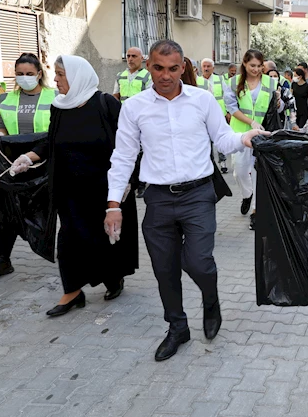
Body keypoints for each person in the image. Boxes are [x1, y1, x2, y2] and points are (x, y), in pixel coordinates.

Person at [104, 40, 264, 361]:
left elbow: (223, 138)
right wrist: (113, 205)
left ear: (183, 67)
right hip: (158, 199)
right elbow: (122, 157)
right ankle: (178, 327)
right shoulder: (134, 108)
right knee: (165, 270)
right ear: (148, 65)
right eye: (159, 68)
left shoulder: (202, 100)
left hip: (198, 196)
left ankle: (210, 299)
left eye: (173, 68)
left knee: (199, 262)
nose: (166, 75)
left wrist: (245, 138)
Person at [10, 55, 139, 315]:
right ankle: (72, 292)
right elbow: (50, 141)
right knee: (69, 239)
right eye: (56, 74)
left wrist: (129, 182)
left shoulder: (105, 105)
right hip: (69, 190)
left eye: (60, 74)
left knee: (105, 240)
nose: (55, 79)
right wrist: (28, 157)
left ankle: (113, 278)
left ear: (77, 76)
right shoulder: (59, 107)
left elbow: (132, 145)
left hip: (105, 190)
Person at [0, 53, 57, 278]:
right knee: (9, 211)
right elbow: (2, 126)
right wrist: (0, 137)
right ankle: (3, 260)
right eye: (20, 74)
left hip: (46, 162)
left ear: (39, 74)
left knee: (53, 210)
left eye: (29, 74)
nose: (24, 78)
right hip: (13, 164)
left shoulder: (56, 96)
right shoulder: (6, 99)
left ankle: (68, 255)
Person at [224, 50, 279, 230]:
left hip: (262, 135)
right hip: (240, 134)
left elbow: (279, 104)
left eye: (259, 66)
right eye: (252, 66)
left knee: (258, 172)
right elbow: (232, 108)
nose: (256, 69)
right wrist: (251, 121)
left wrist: (280, 103)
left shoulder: (271, 82)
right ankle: (247, 194)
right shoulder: (233, 82)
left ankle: (256, 210)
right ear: (244, 64)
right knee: (239, 172)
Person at [114, 47, 152, 198]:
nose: (130, 59)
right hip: (124, 118)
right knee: (127, 150)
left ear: (141, 58)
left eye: (134, 56)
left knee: (142, 152)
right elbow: (116, 95)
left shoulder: (147, 76)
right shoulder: (120, 76)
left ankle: (141, 184)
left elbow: (150, 97)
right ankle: (130, 180)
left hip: (141, 118)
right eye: (128, 56)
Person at [197, 59, 229, 173]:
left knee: (219, 138)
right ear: (201, 68)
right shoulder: (197, 81)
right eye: (204, 66)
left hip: (218, 113)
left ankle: (223, 162)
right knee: (205, 140)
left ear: (213, 68)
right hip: (202, 115)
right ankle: (209, 163)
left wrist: (228, 112)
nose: (206, 68)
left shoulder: (219, 80)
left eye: (208, 66)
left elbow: (226, 96)